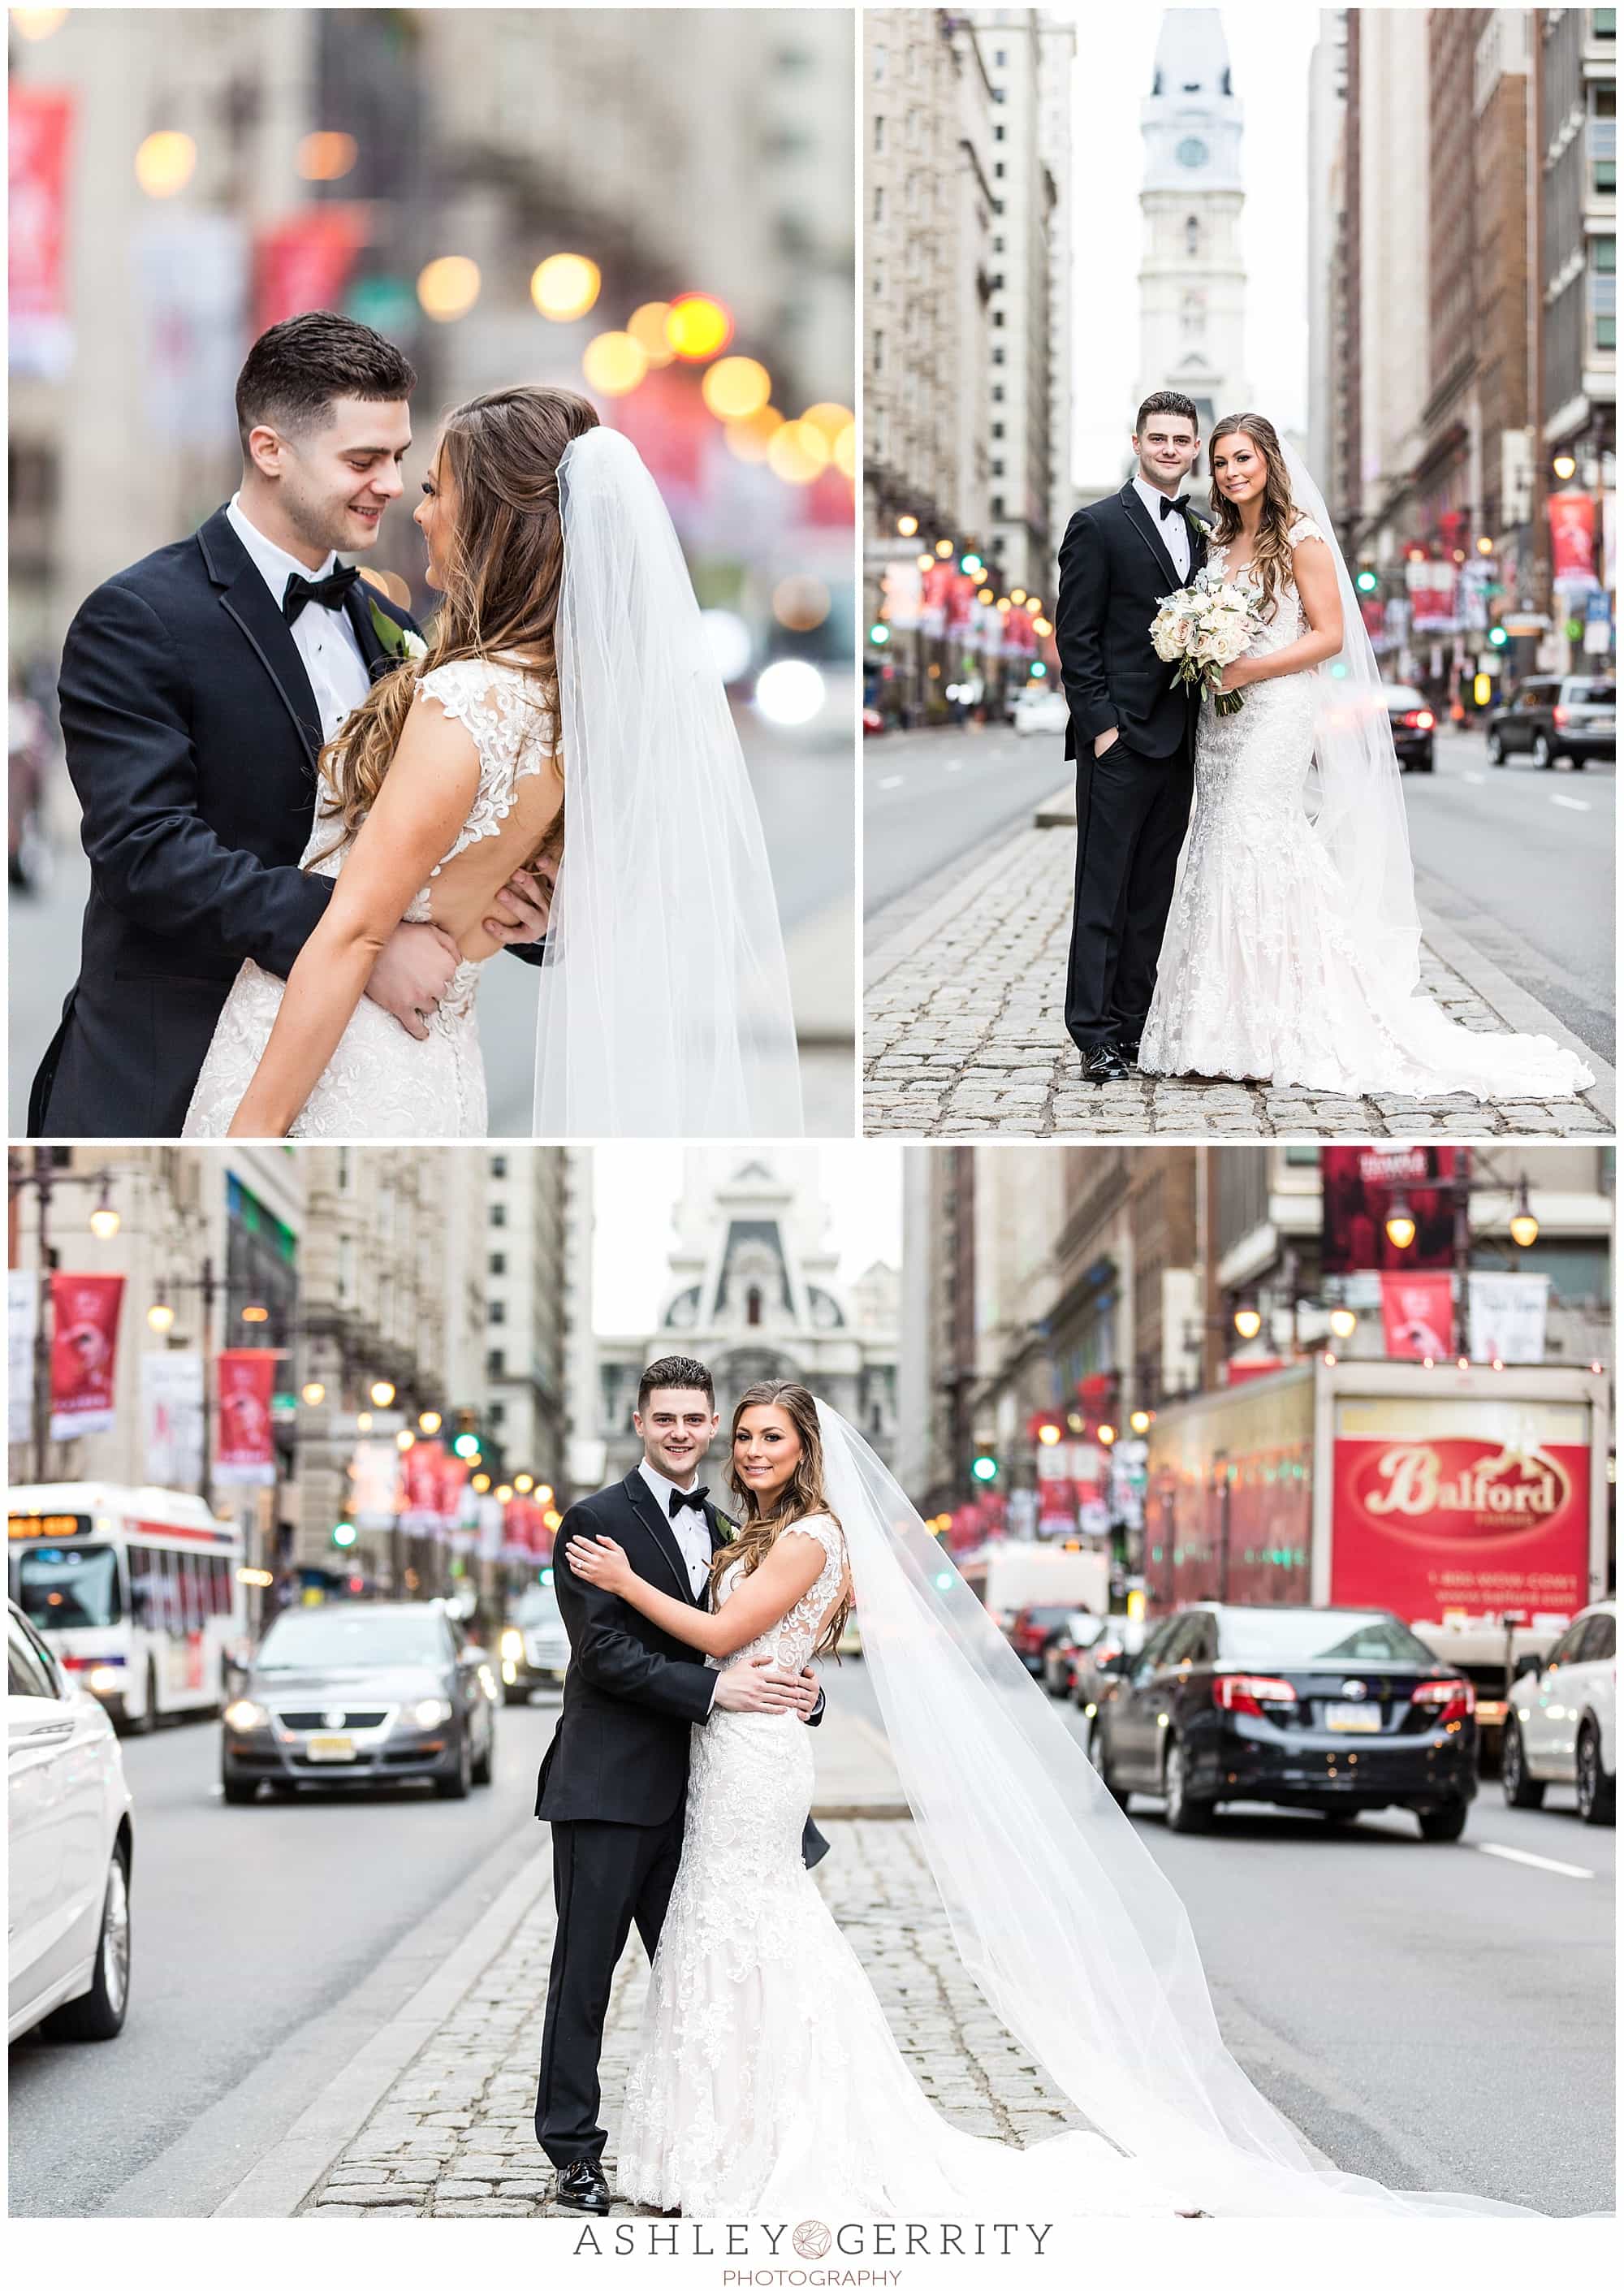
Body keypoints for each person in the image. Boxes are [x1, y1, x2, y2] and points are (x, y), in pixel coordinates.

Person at [564, 1383, 1546, 2220]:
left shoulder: (811, 1534)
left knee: (758, 1928)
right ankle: (715, 2138)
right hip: (730, 1749)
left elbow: (725, 1625)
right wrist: (778, 1676)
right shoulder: (762, 1528)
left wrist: (627, 1583)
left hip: (755, 1756)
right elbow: (746, 1644)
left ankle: (780, 2139)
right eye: (741, 1435)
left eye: (765, 1433)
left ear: (808, 1447)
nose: (746, 1447)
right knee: (721, 1932)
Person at [183, 376, 802, 1139]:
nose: (419, 510)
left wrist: (253, 1131)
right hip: (435, 1064)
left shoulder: (471, 699)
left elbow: (353, 933)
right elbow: (501, 898)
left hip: (331, 1062)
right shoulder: (570, 707)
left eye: (437, 489)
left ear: (487, 517)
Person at [28, 313, 551, 1138]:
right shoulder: (137, 616)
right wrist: (363, 939)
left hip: (365, 1083)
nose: (388, 484)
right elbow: (147, 852)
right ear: (270, 450)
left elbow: (433, 836)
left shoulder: (389, 624)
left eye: (398, 460)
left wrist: (527, 915)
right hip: (170, 1078)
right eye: (361, 460)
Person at [1138, 413, 1592, 1100]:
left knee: (1257, 838)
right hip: (1222, 717)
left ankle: (1288, 1020)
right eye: (1223, 462)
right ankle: (1216, 1025)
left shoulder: (1302, 536)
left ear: (1270, 462)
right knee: (1214, 844)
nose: (1232, 473)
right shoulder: (1222, 535)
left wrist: (1250, 670)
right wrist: (1201, 649)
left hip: (1276, 709)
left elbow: (1328, 636)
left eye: (1244, 459)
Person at [533, 1359, 827, 2218]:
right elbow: (603, 1652)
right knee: (584, 1976)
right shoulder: (593, 1521)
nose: (680, 1432)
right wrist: (709, 1691)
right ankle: (574, 2153)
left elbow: (753, 1639)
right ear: (637, 1422)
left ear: (709, 1428)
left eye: (695, 1419)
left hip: (706, 1797)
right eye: (663, 1417)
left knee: (704, 1976)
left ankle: (722, 2141)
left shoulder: (738, 1528)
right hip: (609, 1787)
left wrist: (803, 1691)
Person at [1054, 391, 1210, 1084]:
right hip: (1119, 745)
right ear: (1137, 441)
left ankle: (1134, 1025)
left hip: (1179, 743)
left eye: (1182, 439)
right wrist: (1104, 731)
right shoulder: (1096, 524)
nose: (1170, 450)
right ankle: (1094, 1036)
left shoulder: (1202, 533)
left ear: (1195, 447)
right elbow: (1076, 639)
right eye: (1159, 439)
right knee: (1104, 893)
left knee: (1151, 895)